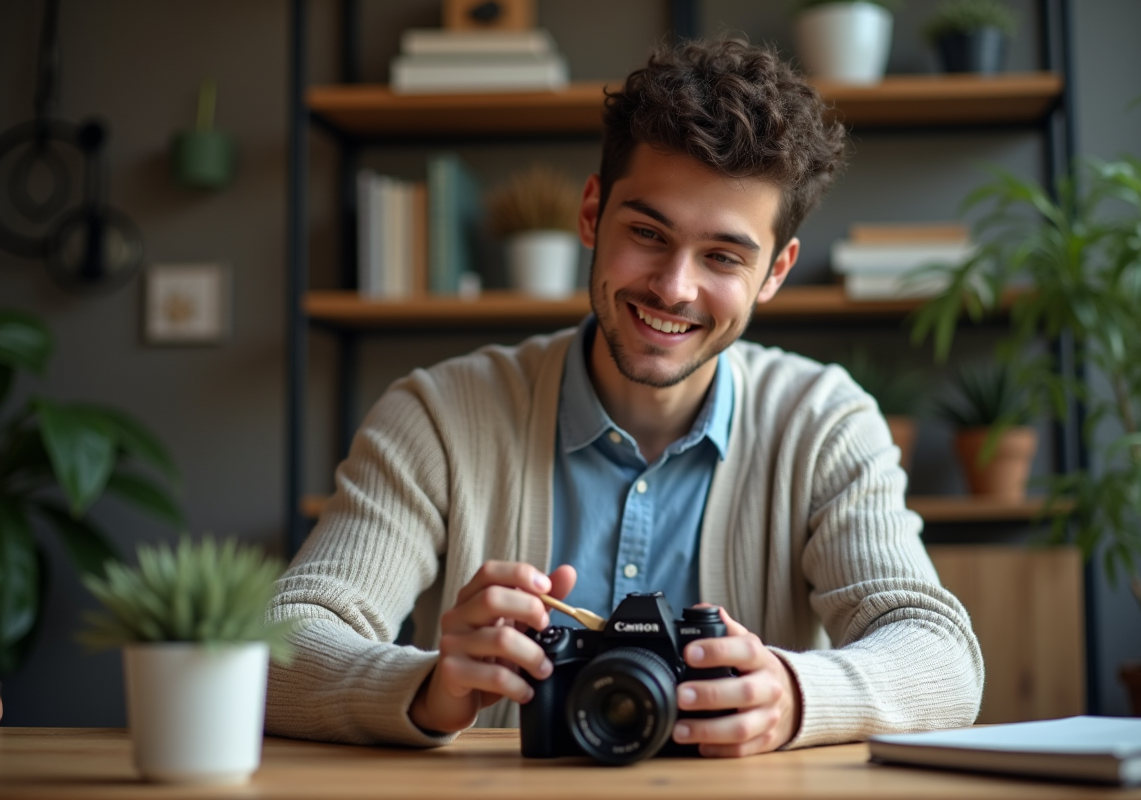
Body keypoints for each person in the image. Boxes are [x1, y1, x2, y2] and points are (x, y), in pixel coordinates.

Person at [265, 38, 984, 757]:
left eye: (724, 257)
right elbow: (276, 649)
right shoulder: (437, 416)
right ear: (590, 214)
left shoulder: (827, 422)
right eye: (647, 233)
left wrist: (791, 697)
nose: (674, 287)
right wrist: (430, 689)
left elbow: (942, 657)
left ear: (776, 272)